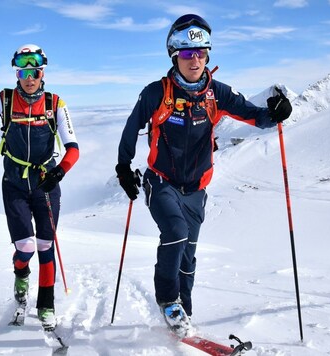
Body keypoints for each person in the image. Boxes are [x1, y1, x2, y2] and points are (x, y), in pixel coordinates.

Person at [115, 14, 291, 337]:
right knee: (176, 231)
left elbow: (254, 116)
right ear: (174, 56)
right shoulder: (157, 93)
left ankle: (184, 309)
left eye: (200, 53)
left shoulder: (217, 94)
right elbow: (132, 126)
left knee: (189, 255)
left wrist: (276, 113)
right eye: (186, 53)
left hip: (197, 189)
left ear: (208, 55)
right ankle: (168, 300)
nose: (194, 60)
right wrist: (123, 167)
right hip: (161, 182)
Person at [0, 44, 79, 329]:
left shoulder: (55, 104)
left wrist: (59, 173)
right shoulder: (3, 100)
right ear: (17, 72)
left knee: (46, 244)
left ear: (43, 72)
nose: (29, 76)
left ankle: (46, 305)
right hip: (14, 181)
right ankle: (21, 273)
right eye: (23, 70)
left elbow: (73, 148)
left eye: (35, 70)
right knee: (25, 246)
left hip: (46, 181)